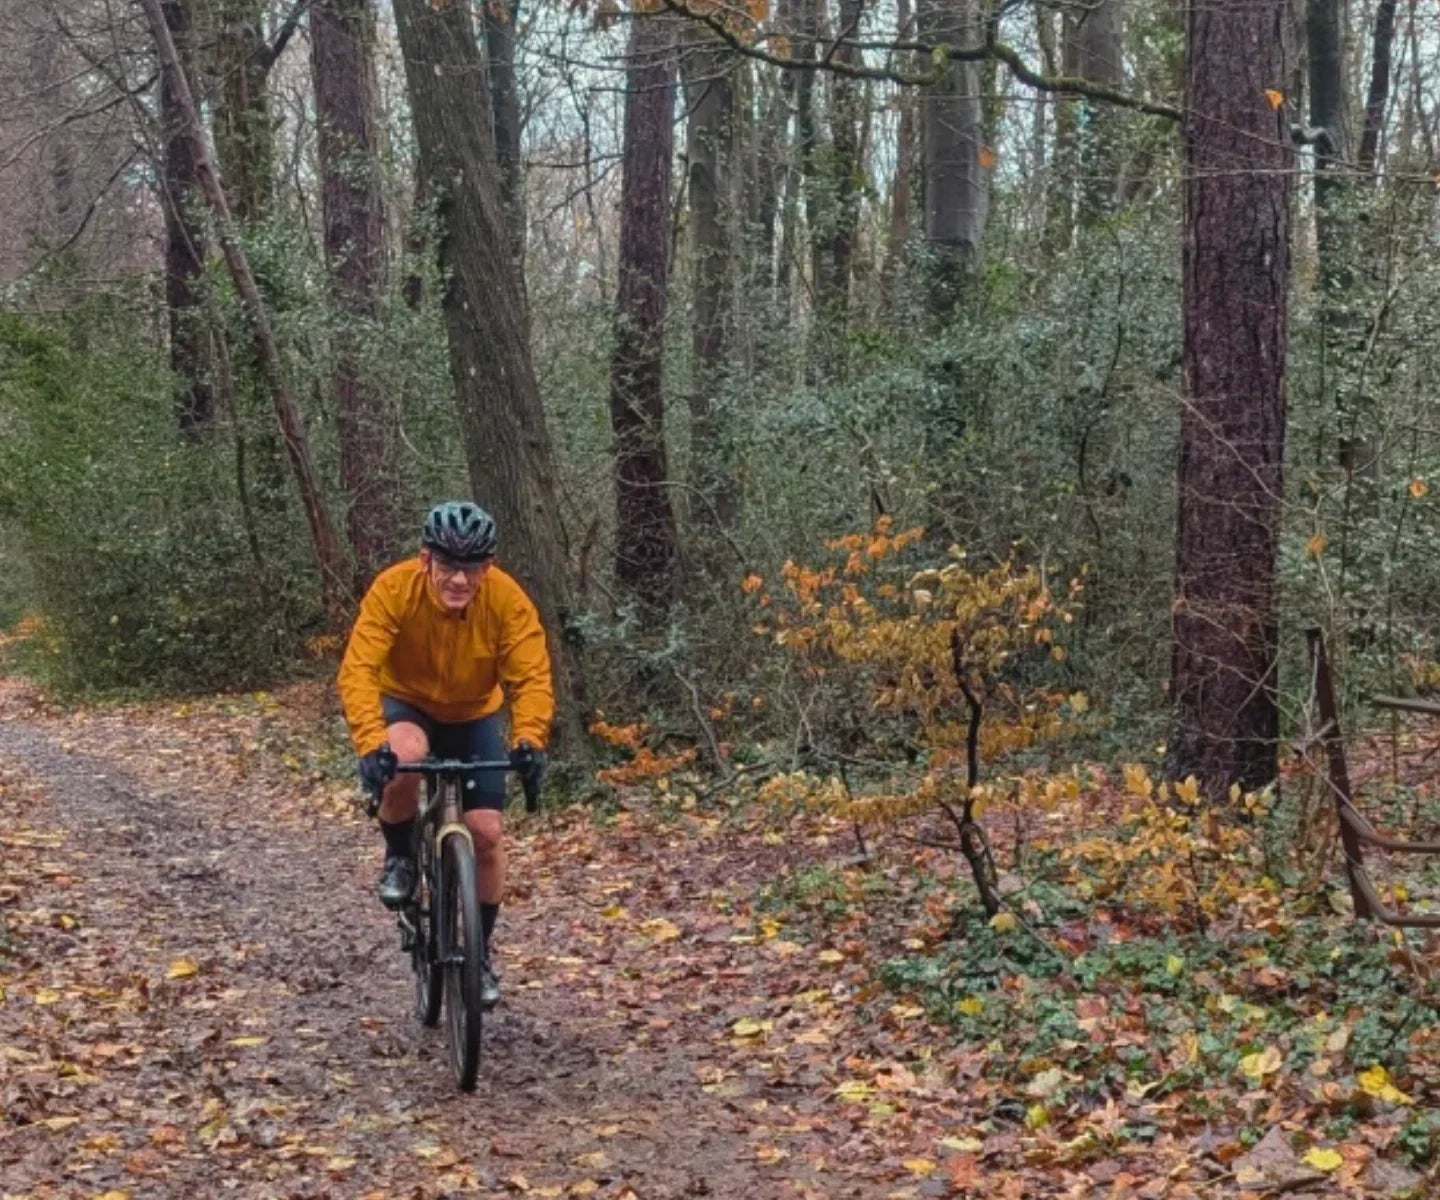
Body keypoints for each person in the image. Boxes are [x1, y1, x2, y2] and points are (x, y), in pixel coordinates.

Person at [337, 500, 553, 1009]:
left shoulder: (506, 600)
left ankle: (478, 954)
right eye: (449, 566)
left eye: (472, 567)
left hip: (474, 712)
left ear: (488, 566)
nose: (459, 579)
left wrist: (529, 739)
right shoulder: (394, 590)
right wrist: (372, 744)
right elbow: (359, 668)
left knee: (487, 833)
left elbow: (531, 676)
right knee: (405, 757)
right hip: (407, 699)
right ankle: (400, 858)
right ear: (425, 559)